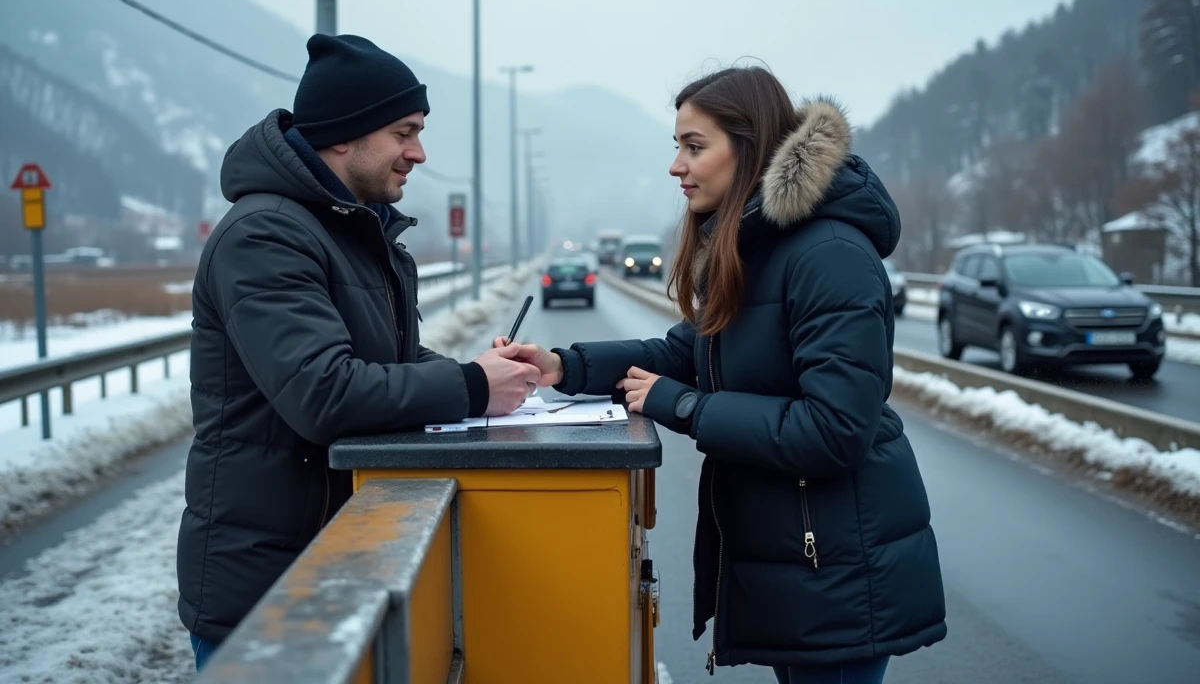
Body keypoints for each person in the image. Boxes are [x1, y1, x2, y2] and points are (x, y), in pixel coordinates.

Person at [499, 68, 946, 682]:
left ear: (751, 145)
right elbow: (689, 353)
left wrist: (683, 408)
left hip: (841, 570)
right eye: (676, 147)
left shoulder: (829, 255)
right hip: (806, 564)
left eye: (694, 146)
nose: (677, 167)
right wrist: (562, 366)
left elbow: (835, 429)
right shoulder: (761, 248)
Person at [177, 34, 541, 670]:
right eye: (405, 131)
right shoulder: (265, 235)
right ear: (343, 134)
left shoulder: (349, 227)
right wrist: (473, 387)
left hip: (335, 564)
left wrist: (484, 374)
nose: (418, 153)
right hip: (270, 597)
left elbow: (387, 360)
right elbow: (326, 392)